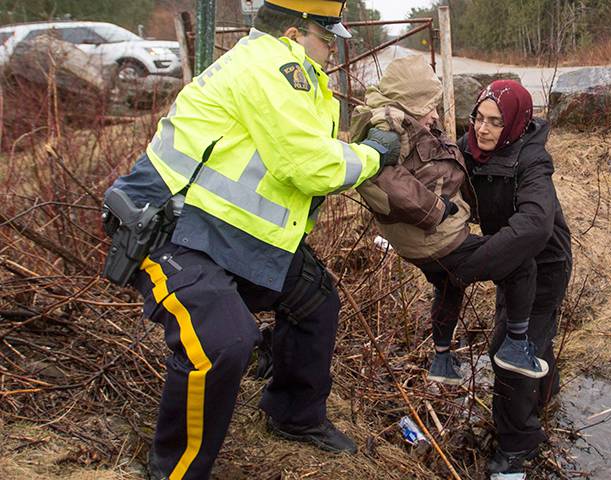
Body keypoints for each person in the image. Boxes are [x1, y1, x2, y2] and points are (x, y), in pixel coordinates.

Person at [103, 2, 400, 479]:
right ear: (294, 33)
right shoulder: (271, 66)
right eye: (327, 40)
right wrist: (372, 155)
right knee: (222, 342)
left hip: (223, 231)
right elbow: (307, 166)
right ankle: (175, 470)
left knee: (315, 300)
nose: (331, 52)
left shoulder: (276, 69)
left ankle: (294, 415)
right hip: (169, 229)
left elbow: (290, 150)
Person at [350, 56, 547, 387]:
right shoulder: (388, 128)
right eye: (427, 106)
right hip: (437, 237)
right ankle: (514, 345)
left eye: (494, 122)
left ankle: (442, 360)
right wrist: (435, 210)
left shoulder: (402, 120)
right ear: (409, 101)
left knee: (447, 283)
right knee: (522, 268)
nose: (434, 114)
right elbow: (382, 179)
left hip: (425, 241)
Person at [457, 80, 573, 479]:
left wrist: (470, 263)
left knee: (507, 352)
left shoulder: (532, 161)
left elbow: (535, 225)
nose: (482, 129)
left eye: (494, 122)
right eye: (478, 118)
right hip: (509, 261)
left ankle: (517, 446)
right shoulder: (468, 150)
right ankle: (546, 389)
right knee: (527, 336)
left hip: (544, 267)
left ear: (516, 124)